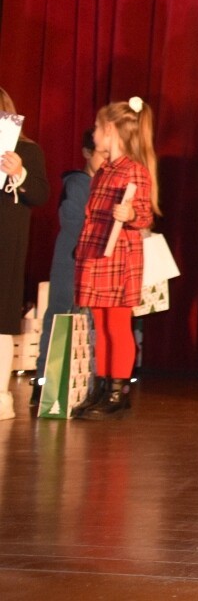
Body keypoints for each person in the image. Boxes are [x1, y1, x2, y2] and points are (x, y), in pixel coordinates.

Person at [73, 97, 158, 419]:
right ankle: (102, 384)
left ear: (110, 130)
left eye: (97, 127)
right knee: (100, 324)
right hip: (97, 255)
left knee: (118, 324)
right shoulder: (104, 170)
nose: (93, 132)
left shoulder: (134, 171)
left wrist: (131, 213)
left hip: (119, 257)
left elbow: (145, 215)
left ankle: (117, 390)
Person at [35, 128, 104, 407]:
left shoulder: (109, 183)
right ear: (87, 153)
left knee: (91, 324)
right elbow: (75, 223)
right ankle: (45, 384)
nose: (106, 161)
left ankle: (85, 385)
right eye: (101, 154)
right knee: (60, 316)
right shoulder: (77, 183)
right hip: (71, 261)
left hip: (95, 263)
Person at [0, 87, 50, 421]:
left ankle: (1, 395)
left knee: (1, 317)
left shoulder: (26, 150)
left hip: (6, 241)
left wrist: (19, 173)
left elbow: (41, 194)